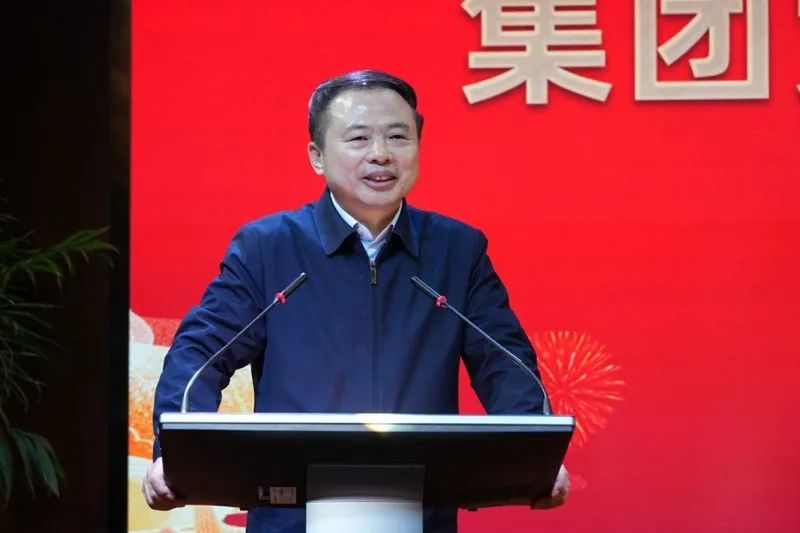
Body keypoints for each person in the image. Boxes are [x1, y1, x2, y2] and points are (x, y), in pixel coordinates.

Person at [142, 70, 569, 532]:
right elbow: (200, 354)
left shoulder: (457, 250)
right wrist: (174, 455)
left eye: (398, 136)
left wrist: (536, 455)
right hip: (293, 515)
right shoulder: (268, 247)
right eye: (359, 138)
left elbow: (504, 362)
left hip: (419, 513)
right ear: (317, 156)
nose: (381, 153)